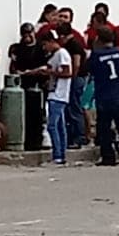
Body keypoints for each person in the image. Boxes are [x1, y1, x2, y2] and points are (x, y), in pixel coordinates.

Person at [86, 27, 119, 166]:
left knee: (104, 127)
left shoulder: (96, 55)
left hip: (103, 96)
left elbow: (90, 70)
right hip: (118, 94)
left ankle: (108, 156)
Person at [9, 22, 48, 151]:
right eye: (24, 34)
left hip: (38, 85)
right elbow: (13, 67)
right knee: (24, 114)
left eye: (29, 33)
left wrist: (31, 72)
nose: (27, 36)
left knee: (38, 114)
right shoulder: (17, 48)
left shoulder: (40, 48)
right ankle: (26, 140)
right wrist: (19, 73)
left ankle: (38, 140)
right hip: (22, 85)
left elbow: (45, 67)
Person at [40, 30, 72, 166]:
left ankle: (58, 155)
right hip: (55, 93)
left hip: (58, 94)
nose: (44, 48)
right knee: (60, 126)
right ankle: (61, 154)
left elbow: (67, 72)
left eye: (45, 44)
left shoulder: (62, 54)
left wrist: (51, 72)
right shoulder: (54, 56)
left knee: (52, 125)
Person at [58, 22, 88, 148]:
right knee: (72, 107)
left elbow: (76, 63)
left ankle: (79, 137)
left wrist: (71, 78)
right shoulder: (72, 44)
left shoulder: (74, 45)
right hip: (77, 78)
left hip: (76, 79)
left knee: (75, 107)